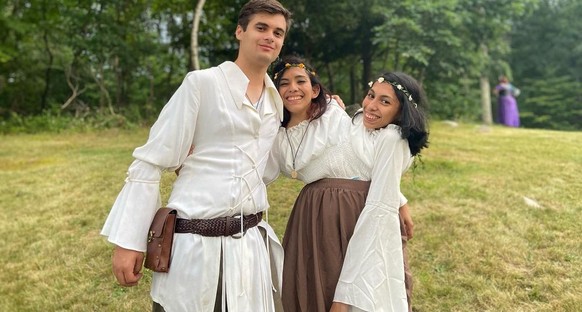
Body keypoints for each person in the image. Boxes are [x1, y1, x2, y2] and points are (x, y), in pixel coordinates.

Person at [100, 1, 292, 311]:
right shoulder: (202, 84)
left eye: (278, 32)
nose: (270, 36)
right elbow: (152, 160)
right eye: (261, 27)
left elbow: (267, 168)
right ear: (240, 31)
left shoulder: (275, 102)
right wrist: (130, 242)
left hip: (250, 248)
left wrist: (326, 107)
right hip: (196, 246)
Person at [266, 56, 429, 312]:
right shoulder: (274, 130)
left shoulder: (340, 116)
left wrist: (398, 200)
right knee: (312, 287)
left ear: (316, 88)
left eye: (301, 81)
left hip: (357, 213)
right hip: (313, 217)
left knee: (351, 293)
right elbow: (359, 161)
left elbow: (375, 193)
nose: (370, 106)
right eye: (371, 95)